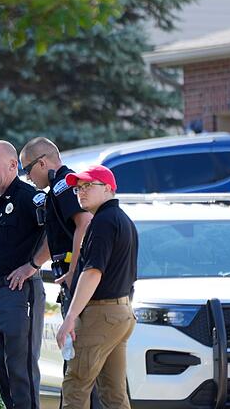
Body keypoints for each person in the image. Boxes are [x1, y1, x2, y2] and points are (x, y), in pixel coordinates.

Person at [19, 137, 97, 409]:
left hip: (77, 279)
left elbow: (84, 223)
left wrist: (74, 270)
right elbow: (57, 236)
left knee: (80, 365)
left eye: (27, 170)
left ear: (42, 162)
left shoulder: (65, 184)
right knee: (76, 362)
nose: (27, 178)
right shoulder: (57, 188)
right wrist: (32, 265)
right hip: (68, 278)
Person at [55, 165, 138, 409]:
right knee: (114, 394)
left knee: (75, 386)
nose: (81, 192)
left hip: (101, 315)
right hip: (121, 314)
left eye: (88, 185)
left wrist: (69, 318)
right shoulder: (122, 220)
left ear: (109, 189)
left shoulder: (103, 222)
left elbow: (92, 273)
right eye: (79, 188)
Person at [0, 140, 47, 409]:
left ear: (13, 165)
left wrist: (33, 265)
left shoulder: (29, 197)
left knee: (21, 371)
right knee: (3, 372)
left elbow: (55, 231)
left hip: (20, 294)